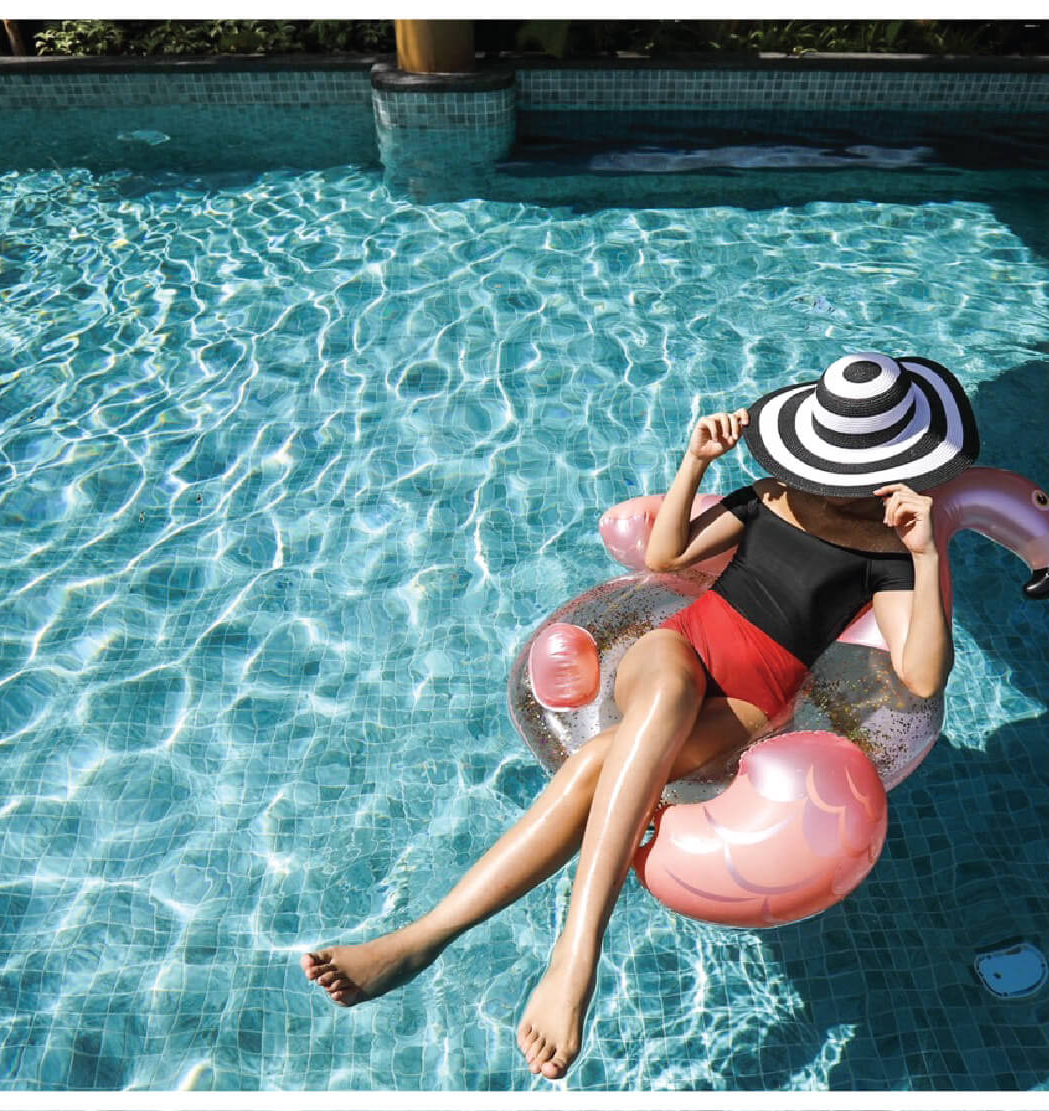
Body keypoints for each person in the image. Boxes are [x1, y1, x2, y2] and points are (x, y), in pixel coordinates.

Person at [303, 352, 979, 1080]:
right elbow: (666, 555)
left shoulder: (891, 549)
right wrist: (693, 460)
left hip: (752, 702)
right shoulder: (767, 494)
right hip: (676, 648)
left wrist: (924, 551)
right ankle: (576, 953)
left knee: (601, 762)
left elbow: (918, 674)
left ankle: (425, 934)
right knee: (662, 698)